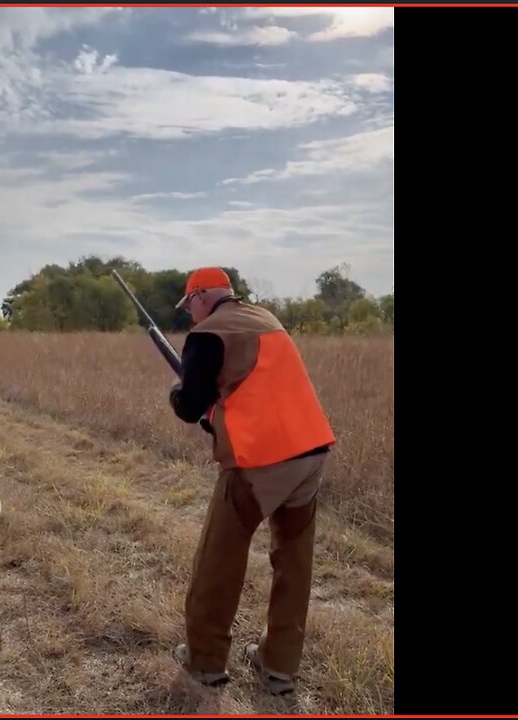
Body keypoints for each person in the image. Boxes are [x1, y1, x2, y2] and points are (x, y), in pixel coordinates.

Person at [167, 266, 336, 696]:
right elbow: (252, 392)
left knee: (217, 561)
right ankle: (279, 667)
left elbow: (190, 407)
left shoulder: (208, 335)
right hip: (312, 453)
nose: (190, 316)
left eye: (189, 306)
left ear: (203, 296)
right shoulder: (268, 320)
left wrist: (177, 391)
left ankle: (204, 662)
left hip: (259, 464)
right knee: (294, 564)